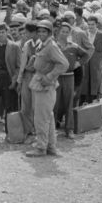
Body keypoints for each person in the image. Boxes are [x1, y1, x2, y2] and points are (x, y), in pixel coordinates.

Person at [26, 19, 68, 158]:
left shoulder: (51, 46)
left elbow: (63, 64)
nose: (41, 33)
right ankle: (50, 146)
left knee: (41, 118)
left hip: (45, 85)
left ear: (49, 32)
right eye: (39, 31)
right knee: (47, 117)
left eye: (44, 31)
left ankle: (41, 147)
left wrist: (49, 77)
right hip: (40, 81)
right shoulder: (42, 44)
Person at [55, 21, 89, 138]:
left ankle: (69, 129)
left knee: (69, 102)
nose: (64, 34)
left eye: (67, 32)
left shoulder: (73, 46)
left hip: (69, 76)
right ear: (58, 32)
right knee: (54, 103)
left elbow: (86, 54)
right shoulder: (54, 45)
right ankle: (53, 127)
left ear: (69, 33)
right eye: (62, 31)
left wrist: (78, 63)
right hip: (56, 77)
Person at [16, 21, 40, 143]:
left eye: (27, 32)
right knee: (26, 106)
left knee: (37, 106)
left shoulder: (42, 44)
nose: (24, 34)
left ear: (33, 32)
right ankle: (28, 131)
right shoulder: (27, 45)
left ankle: (38, 132)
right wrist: (19, 80)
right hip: (27, 76)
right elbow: (22, 65)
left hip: (39, 77)